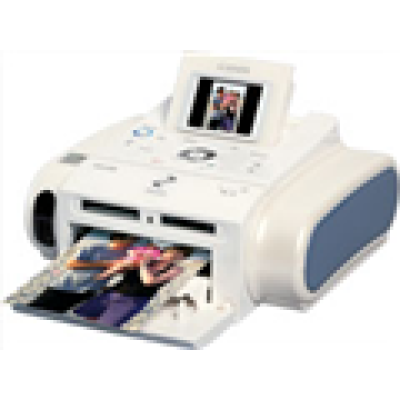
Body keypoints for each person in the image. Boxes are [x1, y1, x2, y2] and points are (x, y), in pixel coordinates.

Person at [73, 246, 190, 328]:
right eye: (172, 253)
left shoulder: (175, 269)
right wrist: (130, 259)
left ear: (182, 259)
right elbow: (120, 267)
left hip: (133, 301)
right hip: (112, 293)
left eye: (179, 256)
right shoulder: (147, 259)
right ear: (164, 252)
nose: (173, 257)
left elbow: (148, 282)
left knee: (105, 326)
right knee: (81, 318)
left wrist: (143, 264)